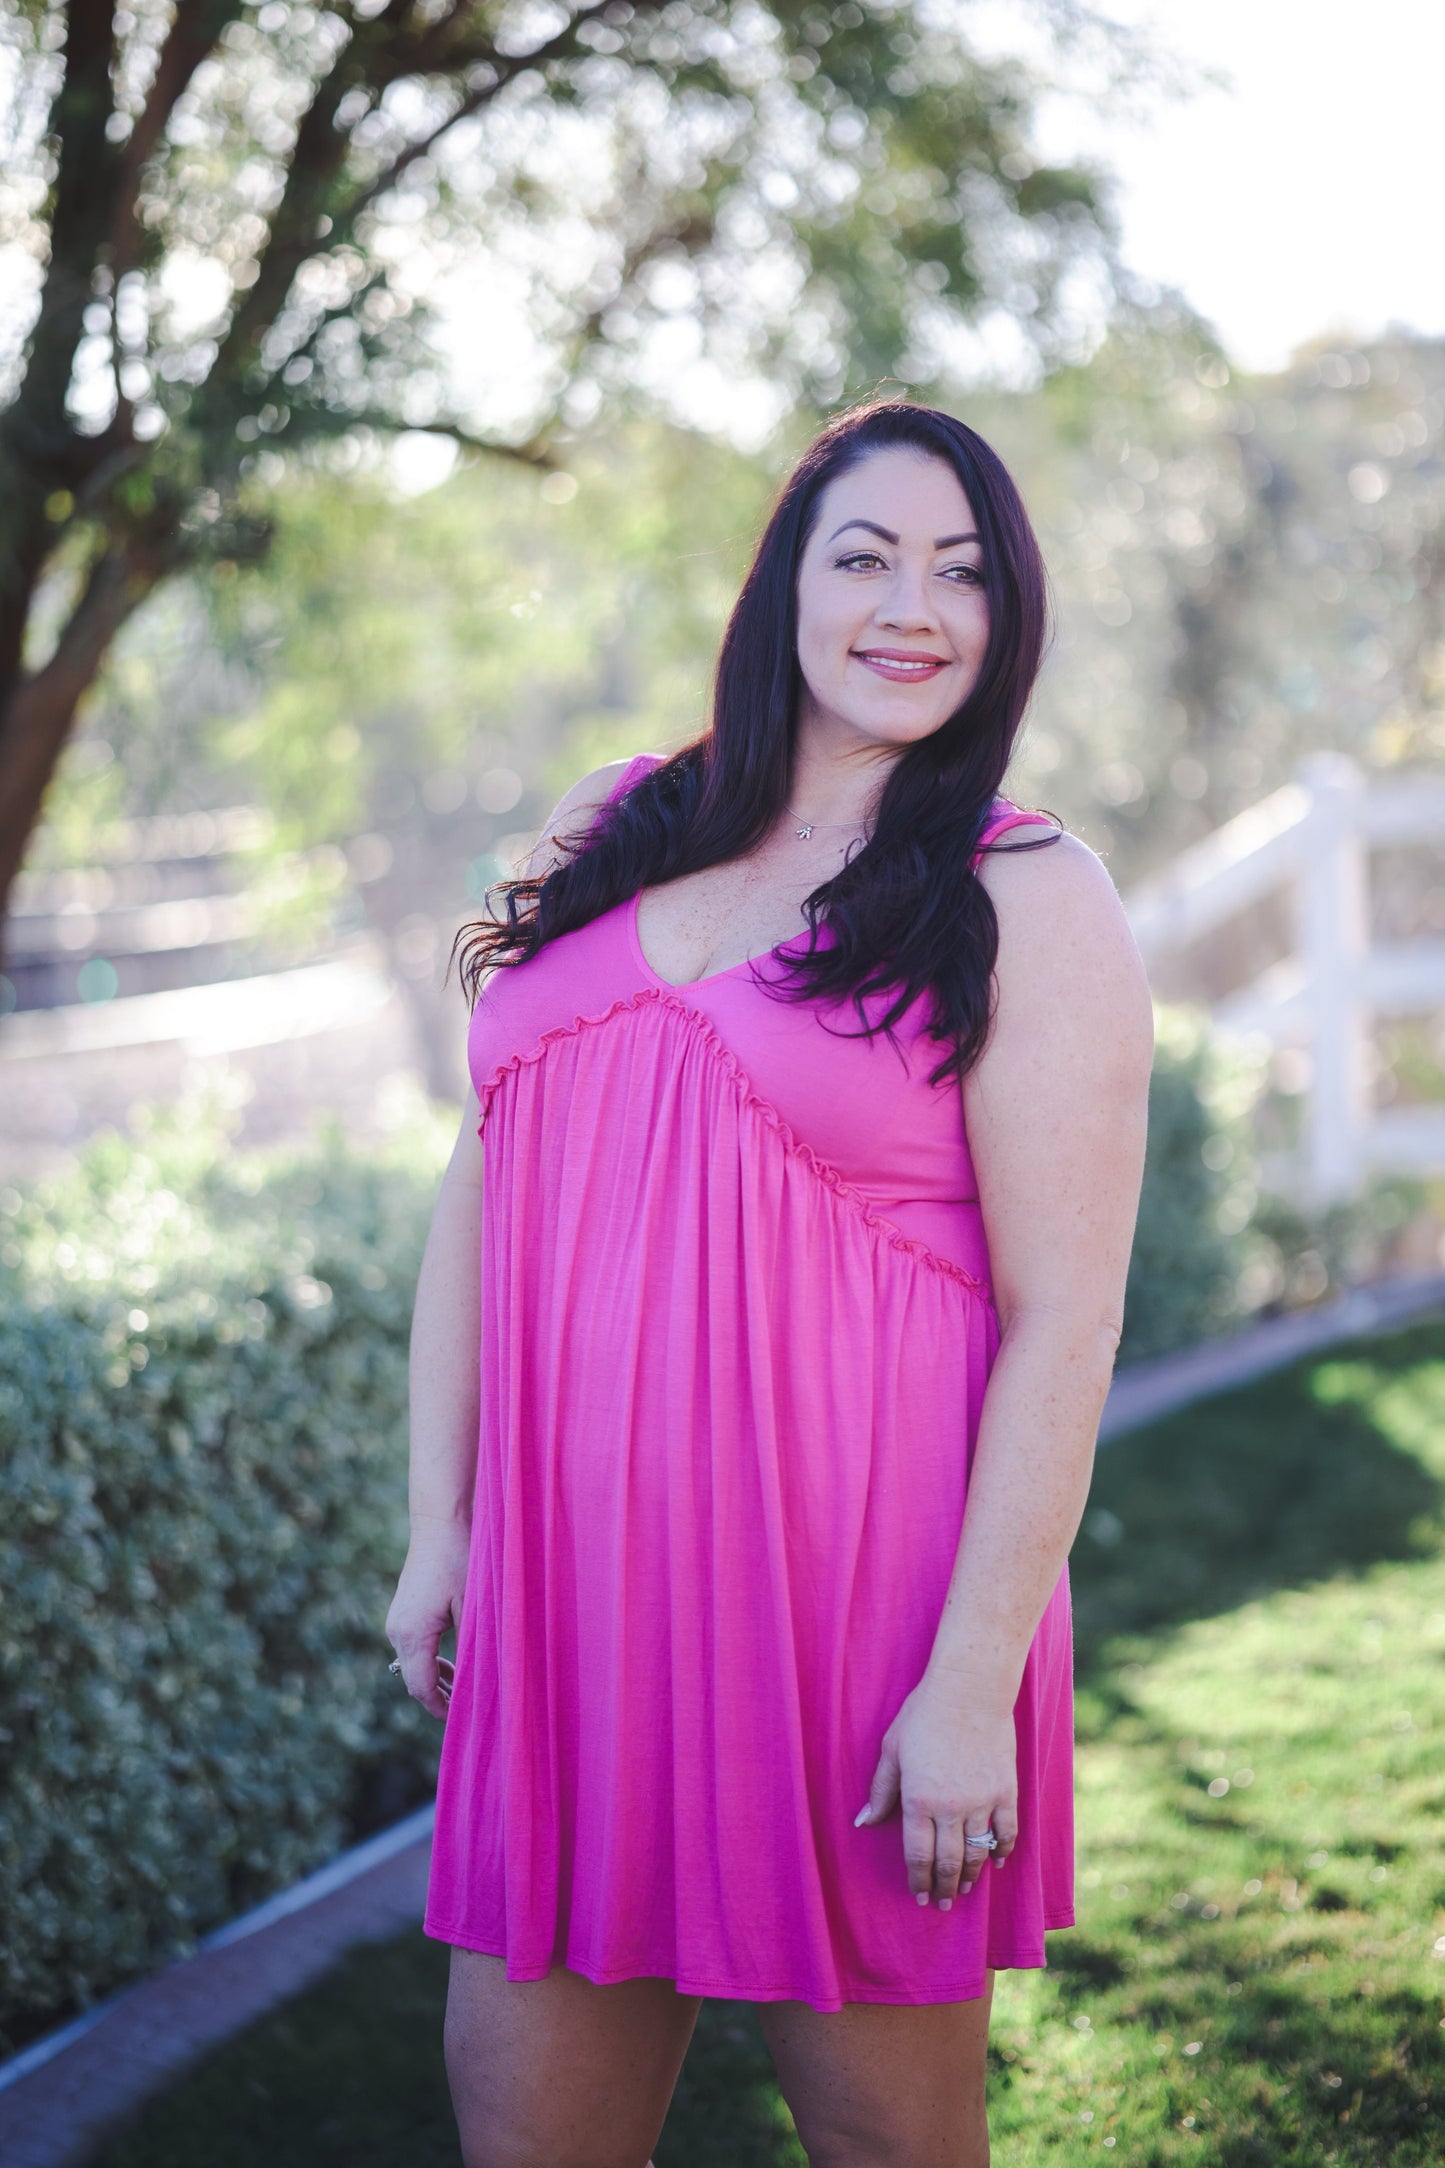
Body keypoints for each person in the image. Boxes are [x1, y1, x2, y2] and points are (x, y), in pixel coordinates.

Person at [386, 399, 1153, 2168]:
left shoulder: (1028, 893)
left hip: (861, 1629)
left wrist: (967, 1684)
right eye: (866, 556)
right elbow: (484, 1182)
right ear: (783, 591)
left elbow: (1065, 1324)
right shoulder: (621, 820)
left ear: (1007, 614)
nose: (914, 607)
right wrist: (443, 1519)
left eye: (963, 572)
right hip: (571, 1621)